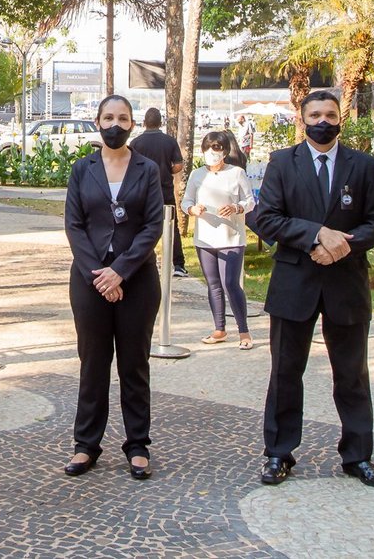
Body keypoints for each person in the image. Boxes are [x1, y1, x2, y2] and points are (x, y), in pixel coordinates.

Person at [247, 89, 374, 489]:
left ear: (340, 117)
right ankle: (278, 453)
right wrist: (316, 235)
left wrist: (341, 245)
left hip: (347, 282)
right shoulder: (282, 162)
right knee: (285, 372)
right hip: (295, 283)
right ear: (303, 119)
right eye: (315, 115)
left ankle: (358, 456)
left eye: (330, 114)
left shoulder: (363, 165)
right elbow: (267, 219)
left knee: (352, 374)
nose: (323, 122)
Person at [62, 95, 163, 481]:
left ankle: (137, 445)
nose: (115, 125)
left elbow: (152, 225)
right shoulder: (82, 169)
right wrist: (100, 276)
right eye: (108, 118)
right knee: (93, 363)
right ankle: (86, 444)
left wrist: (119, 271)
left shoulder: (147, 169)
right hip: (89, 281)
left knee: (134, 364)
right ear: (97, 122)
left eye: (122, 118)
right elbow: (74, 225)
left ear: (132, 124)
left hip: (137, 280)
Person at [182, 130, 255, 349]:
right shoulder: (197, 175)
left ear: (224, 151)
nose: (212, 153)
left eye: (217, 148)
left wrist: (236, 207)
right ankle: (219, 328)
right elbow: (186, 202)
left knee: (230, 283)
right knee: (213, 284)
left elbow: (250, 201)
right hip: (205, 238)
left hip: (231, 237)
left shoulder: (237, 173)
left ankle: (244, 331)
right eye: (208, 148)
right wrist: (193, 209)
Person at [128, 106, 187, 278]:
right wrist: (167, 170)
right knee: (172, 227)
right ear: (161, 123)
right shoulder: (169, 141)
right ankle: (178, 264)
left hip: (142, 192)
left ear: (144, 123)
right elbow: (178, 165)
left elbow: (130, 168)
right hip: (165, 190)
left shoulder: (136, 143)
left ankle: (140, 261)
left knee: (141, 227)